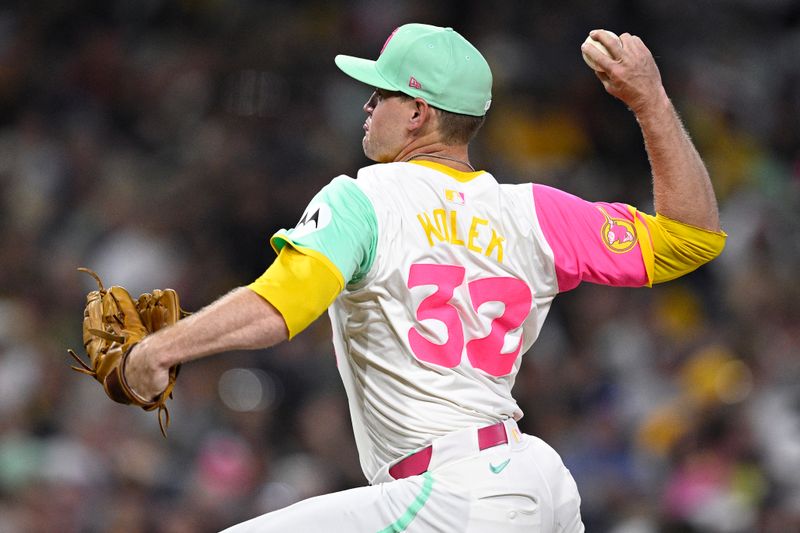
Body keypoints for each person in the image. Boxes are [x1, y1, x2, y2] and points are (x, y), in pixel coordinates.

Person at [124, 23, 725, 532]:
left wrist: (161, 347)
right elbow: (691, 238)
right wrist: (650, 102)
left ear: (417, 112)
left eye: (378, 93)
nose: (366, 106)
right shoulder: (534, 212)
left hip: (451, 495)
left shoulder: (366, 199)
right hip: (535, 483)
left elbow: (280, 305)